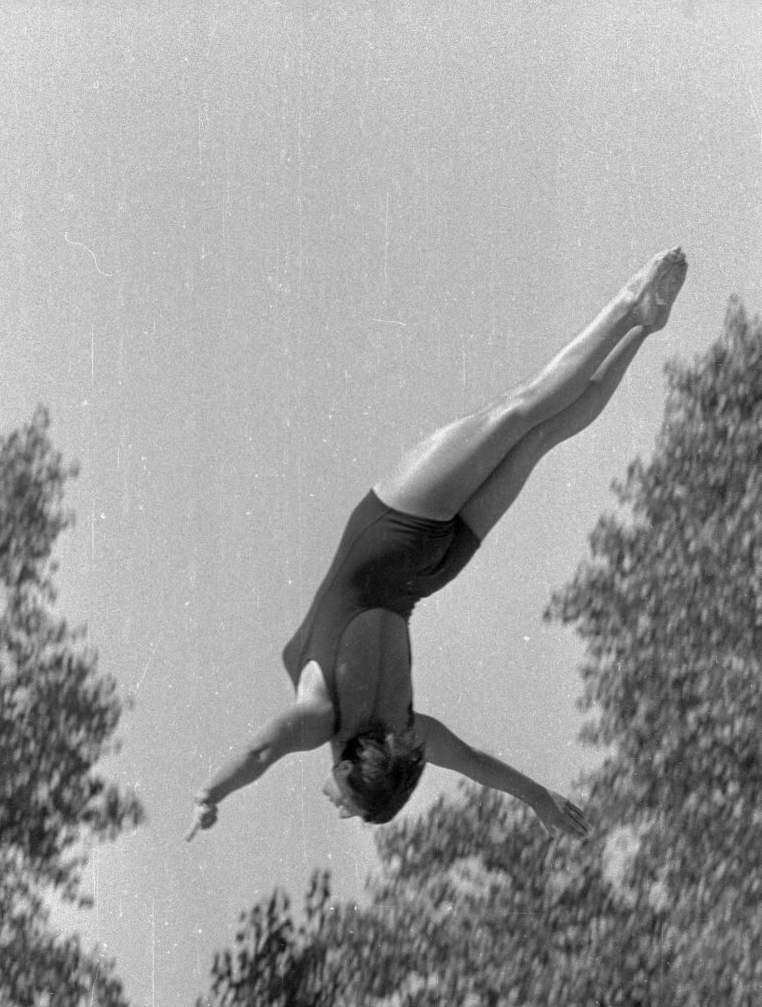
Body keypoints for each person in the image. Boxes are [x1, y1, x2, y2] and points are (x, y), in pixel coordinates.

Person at [187, 248, 687, 842]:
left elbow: (475, 764)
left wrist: (538, 799)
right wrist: (210, 793)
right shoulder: (321, 719)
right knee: (519, 411)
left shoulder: (406, 731)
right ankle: (628, 303)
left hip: (436, 567)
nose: (342, 810)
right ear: (349, 767)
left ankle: (642, 330)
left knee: (541, 437)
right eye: (353, 804)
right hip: (393, 531)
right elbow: (260, 750)